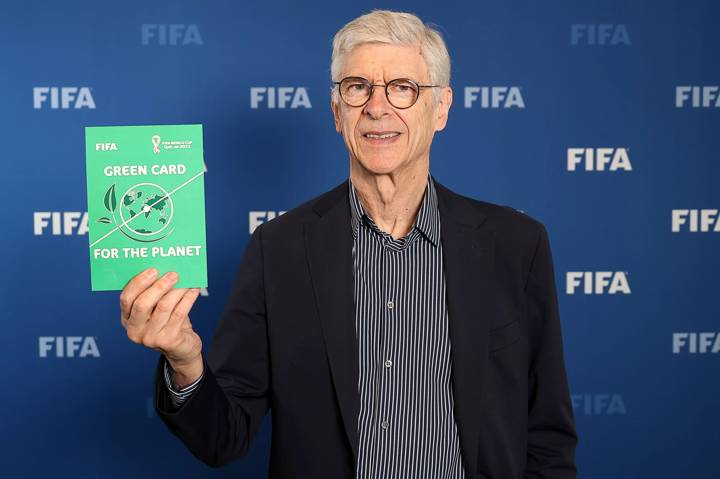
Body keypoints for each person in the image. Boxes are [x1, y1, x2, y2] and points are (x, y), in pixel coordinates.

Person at [120, 10, 577, 479]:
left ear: (440, 108)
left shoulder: (515, 245)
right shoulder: (278, 249)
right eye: (358, 87)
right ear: (338, 110)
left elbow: (547, 437)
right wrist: (185, 360)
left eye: (403, 88)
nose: (377, 107)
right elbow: (222, 437)